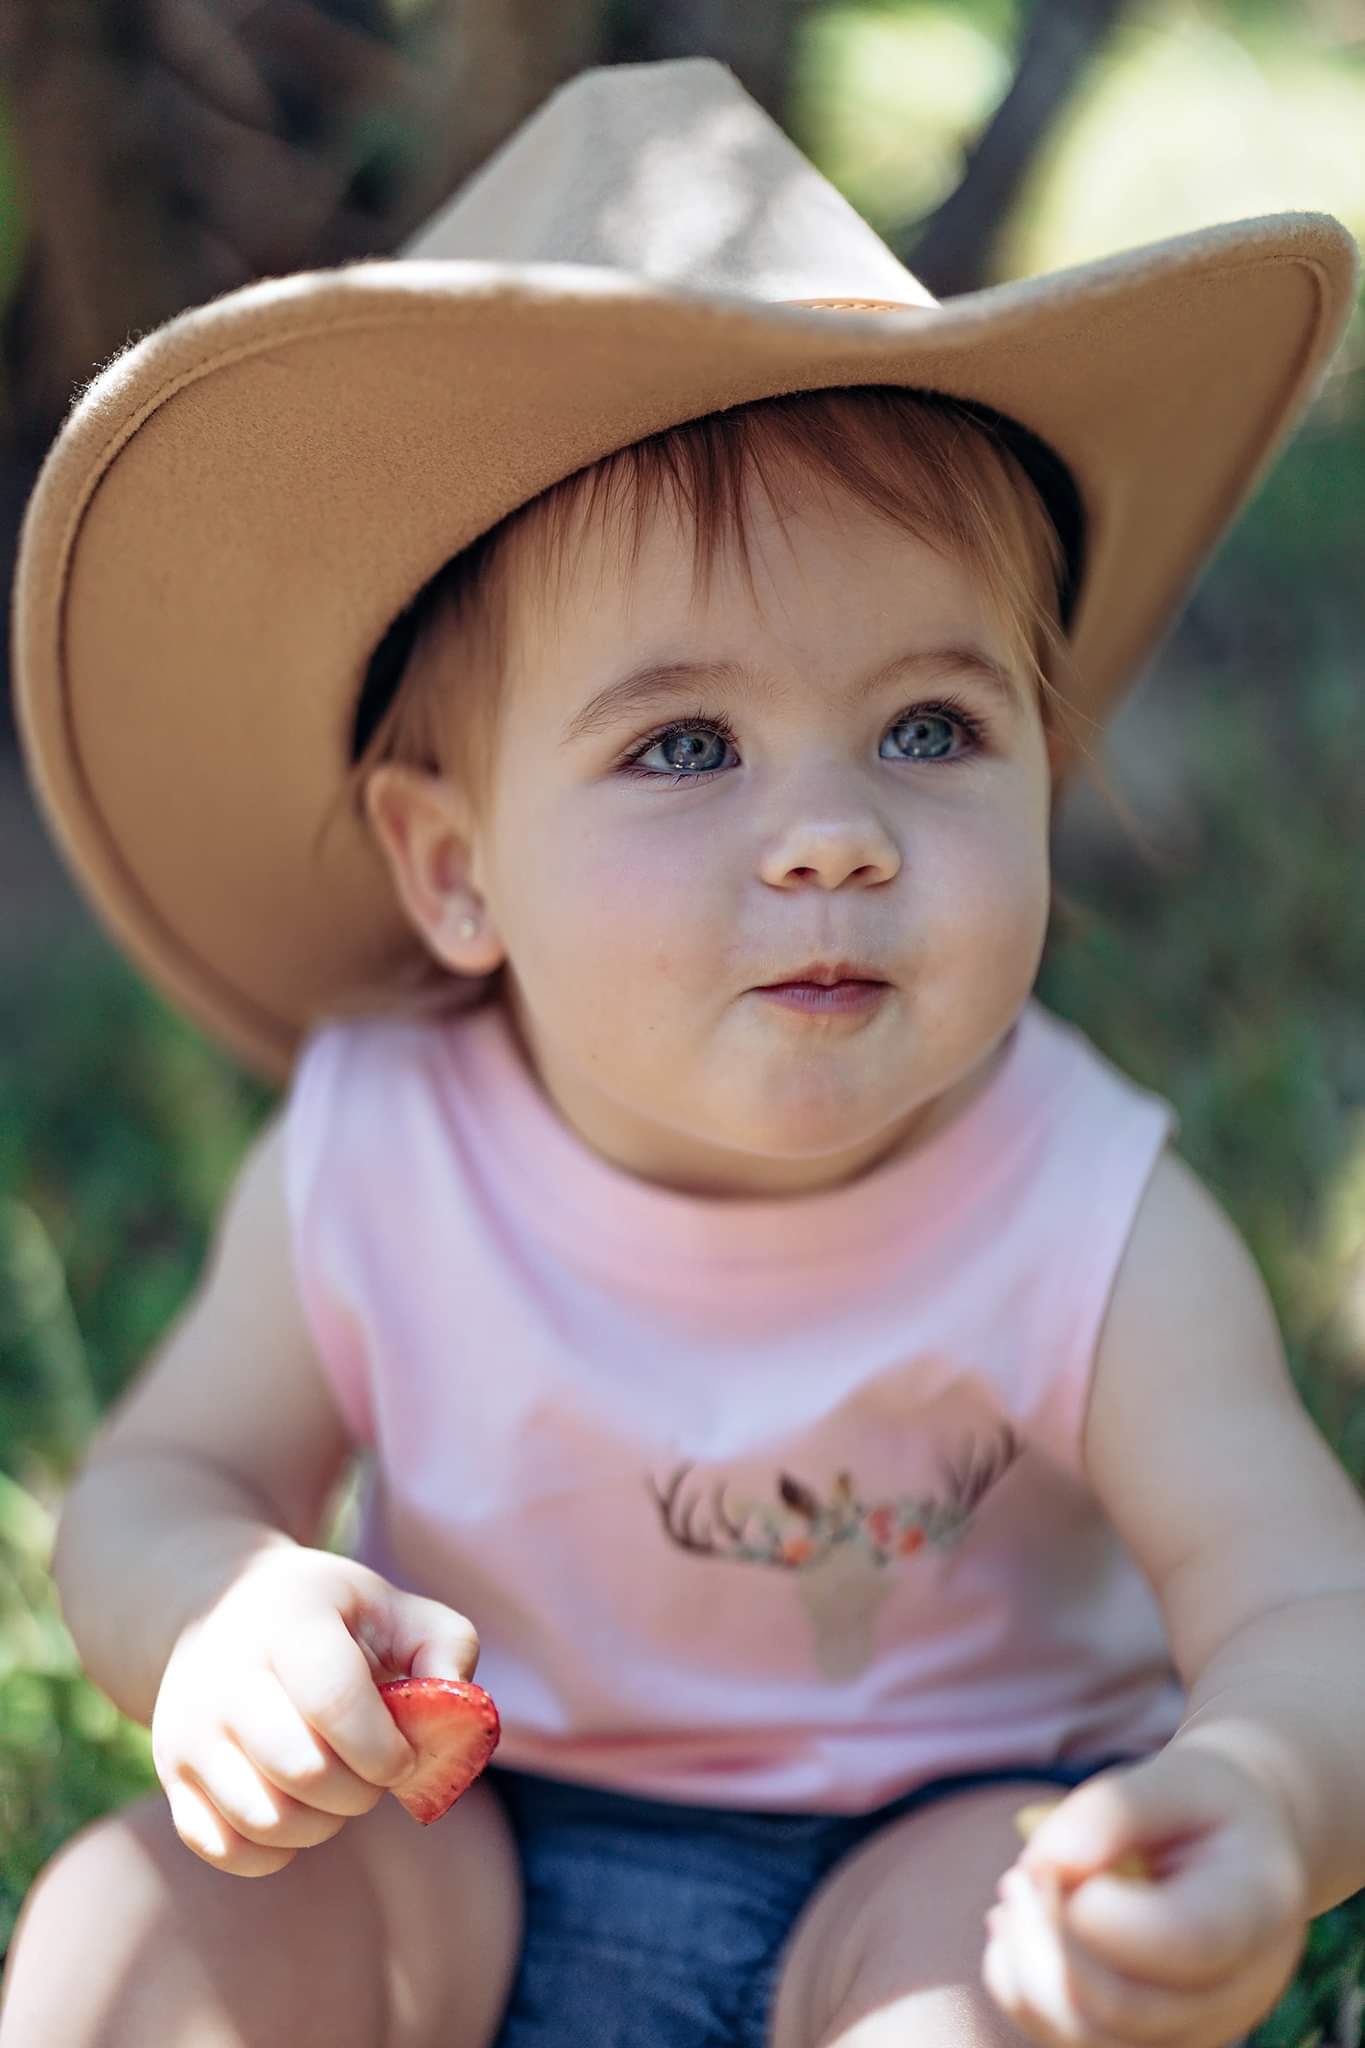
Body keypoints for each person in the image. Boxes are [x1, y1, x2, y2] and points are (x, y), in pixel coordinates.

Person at [3, 54, 1363, 2048]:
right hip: (460, 1822)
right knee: (131, 1931)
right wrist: (221, 1613)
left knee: (976, 1993)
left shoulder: (1083, 1207)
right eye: (682, 746)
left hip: (932, 1844)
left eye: (927, 728)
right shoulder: (382, 1150)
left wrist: (1249, 1788)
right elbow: (156, 1477)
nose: (834, 833)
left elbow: (1300, 1596)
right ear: (454, 868)